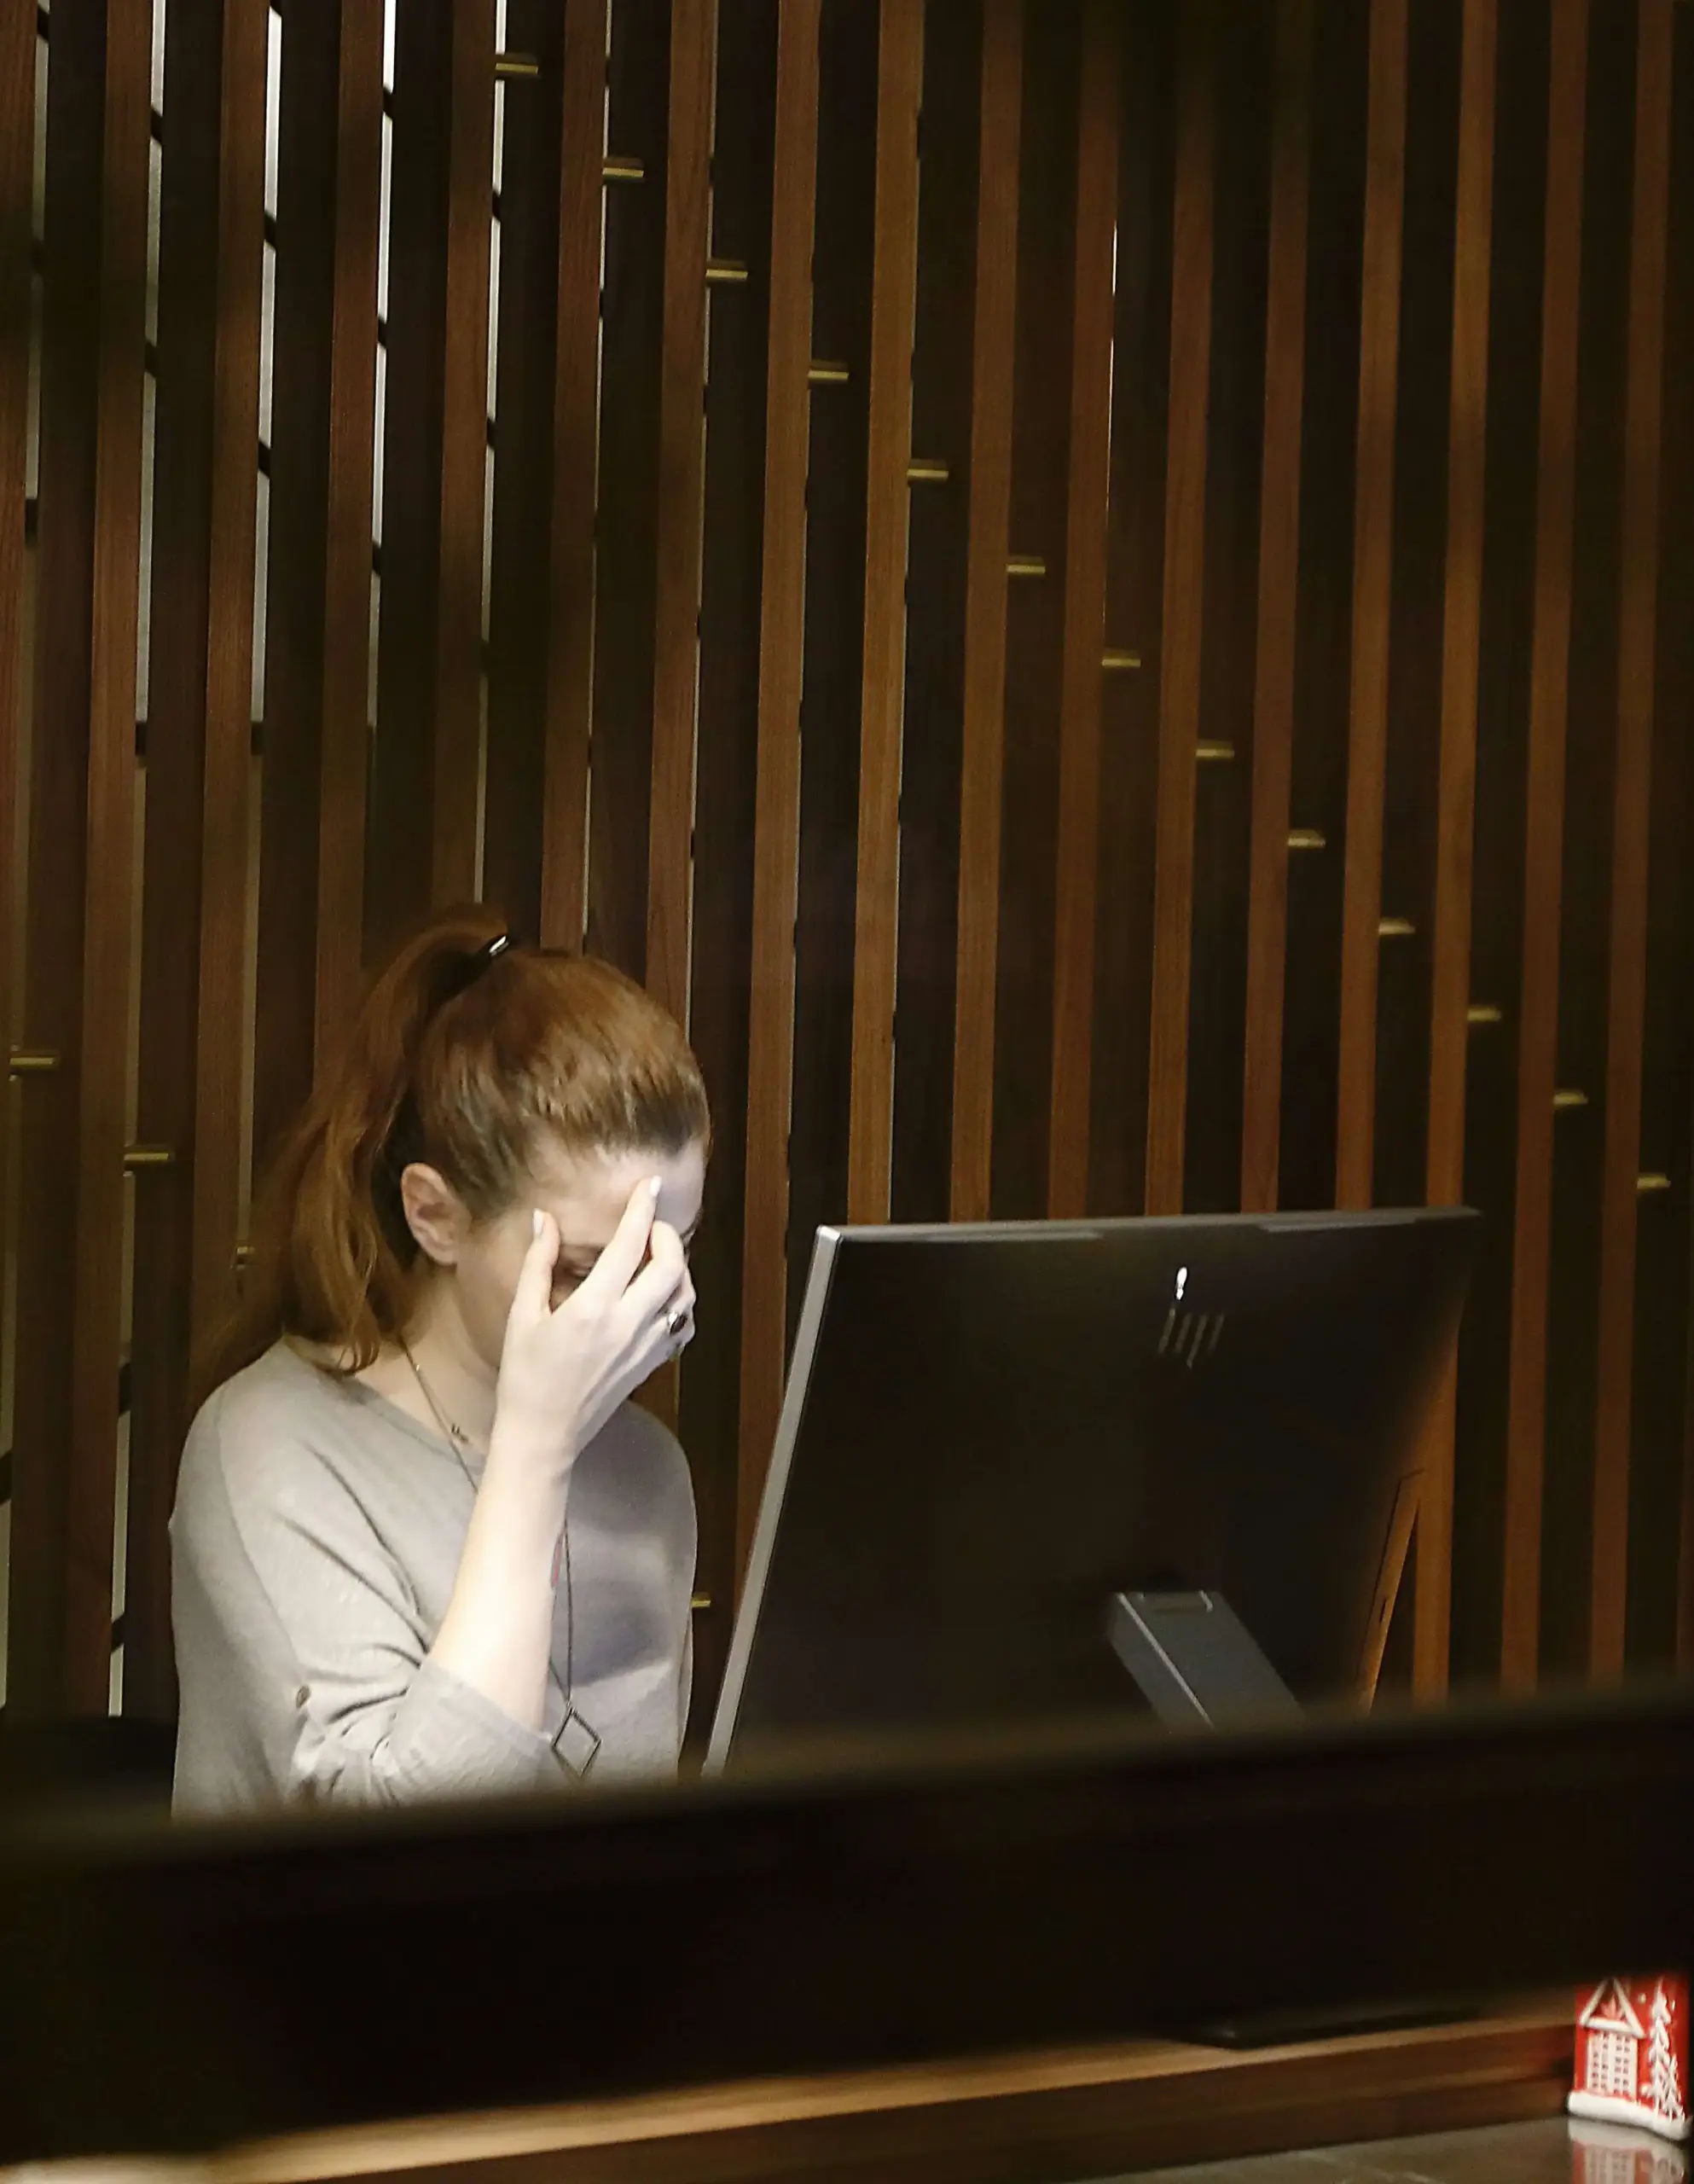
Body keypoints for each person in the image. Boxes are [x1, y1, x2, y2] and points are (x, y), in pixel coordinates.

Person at [171, 910, 709, 1815]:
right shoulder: (266, 1446)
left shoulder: (648, 1469)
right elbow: (404, 1857)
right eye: (586, 1267)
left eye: (672, 1253)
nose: (642, 1306)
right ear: (436, 1217)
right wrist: (535, 1453)